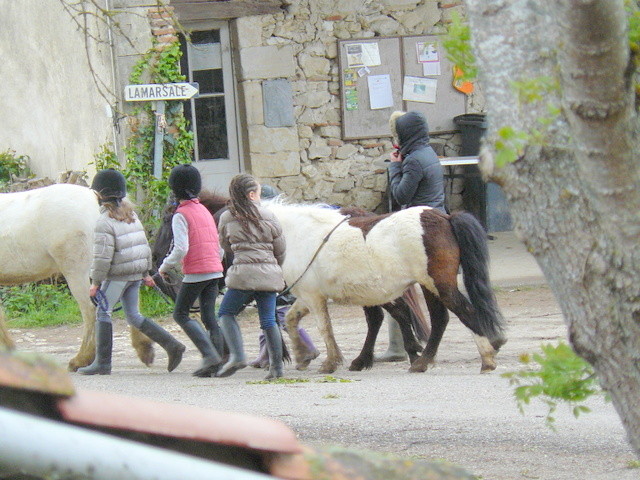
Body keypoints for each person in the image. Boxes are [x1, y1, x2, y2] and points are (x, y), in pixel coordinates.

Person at [78, 169, 186, 375]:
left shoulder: (104, 222)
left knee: (103, 312)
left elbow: (102, 257)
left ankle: (103, 363)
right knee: (133, 316)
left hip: (118, 276)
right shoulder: (131, 216)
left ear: (100, 195)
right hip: (135, 275)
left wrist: (95, 283)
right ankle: (173, 345)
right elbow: (144, 246)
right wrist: (145, 273)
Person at [376, 110, 446, 362]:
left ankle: (398, 345)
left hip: (417, 228)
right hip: (436, 217)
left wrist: (394, 167)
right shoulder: (427, 154)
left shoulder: (414, 160)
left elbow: (402, 195)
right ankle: (401, 342)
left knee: (395, 284)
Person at [216, 173, 286, 379]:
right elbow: (280, 248)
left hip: (242, 275)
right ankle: (276, 369)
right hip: (269, 275)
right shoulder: (270, 216)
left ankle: (237, 355)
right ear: (252, 194)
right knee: (268, 320)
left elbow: (225, 245)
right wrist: (274, 268)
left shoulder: (227, 217)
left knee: (226, 313)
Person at [158, 164, 225, 377]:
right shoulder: (204, 210)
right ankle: (218, 361)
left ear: (174, 189)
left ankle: (209, 356)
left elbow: (181, 248)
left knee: (180, 314)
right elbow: (219, 244)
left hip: (196, 271)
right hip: (215, 269)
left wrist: (165, 266)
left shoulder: (181, 214)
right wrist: (216, 261)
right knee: (209, 317)